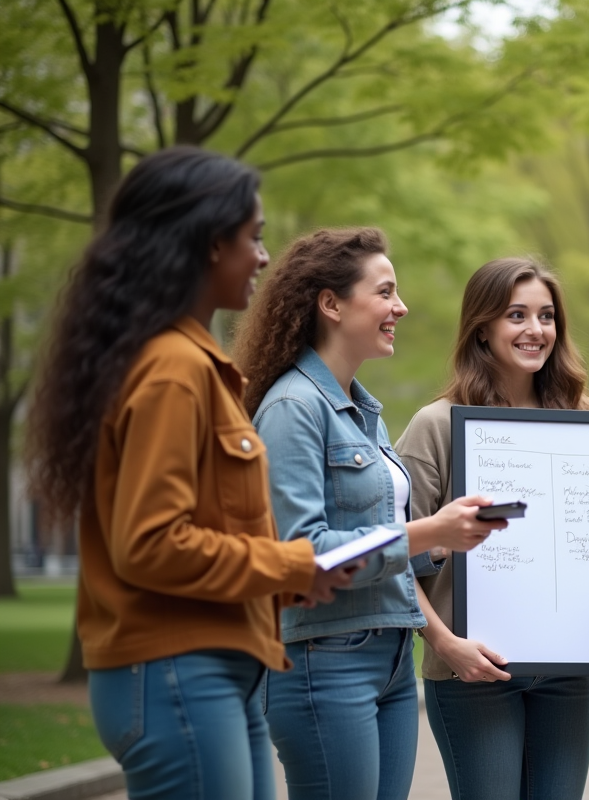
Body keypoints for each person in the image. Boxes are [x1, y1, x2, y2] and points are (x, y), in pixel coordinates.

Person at [24, 147, 356, 800]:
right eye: (253, 238)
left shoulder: (188, 362)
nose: (264, 257)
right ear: (209, 243)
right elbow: (152, 545)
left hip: (213, 669)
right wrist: (290, 564)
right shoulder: (174, 368)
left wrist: (292, 577)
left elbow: (201, 530)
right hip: (177, 672)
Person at [232, 227, 507, 800]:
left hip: (389, 659)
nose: (399, 307)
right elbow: (302, 554)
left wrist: (447, 539)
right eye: (385, 292)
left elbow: (382, 543)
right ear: (331, 304)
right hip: (323, 662)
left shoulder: (365, 413)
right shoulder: (292, 408)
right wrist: (429, 529)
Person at [393, 257, 589, 800]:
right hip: (471, 672)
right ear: (483, 327)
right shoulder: (435, 425)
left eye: (547, 316)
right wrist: (444, 644)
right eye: (516, 315)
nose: (536, 330)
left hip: (567, 677)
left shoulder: (588, 421)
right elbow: (393, 558)